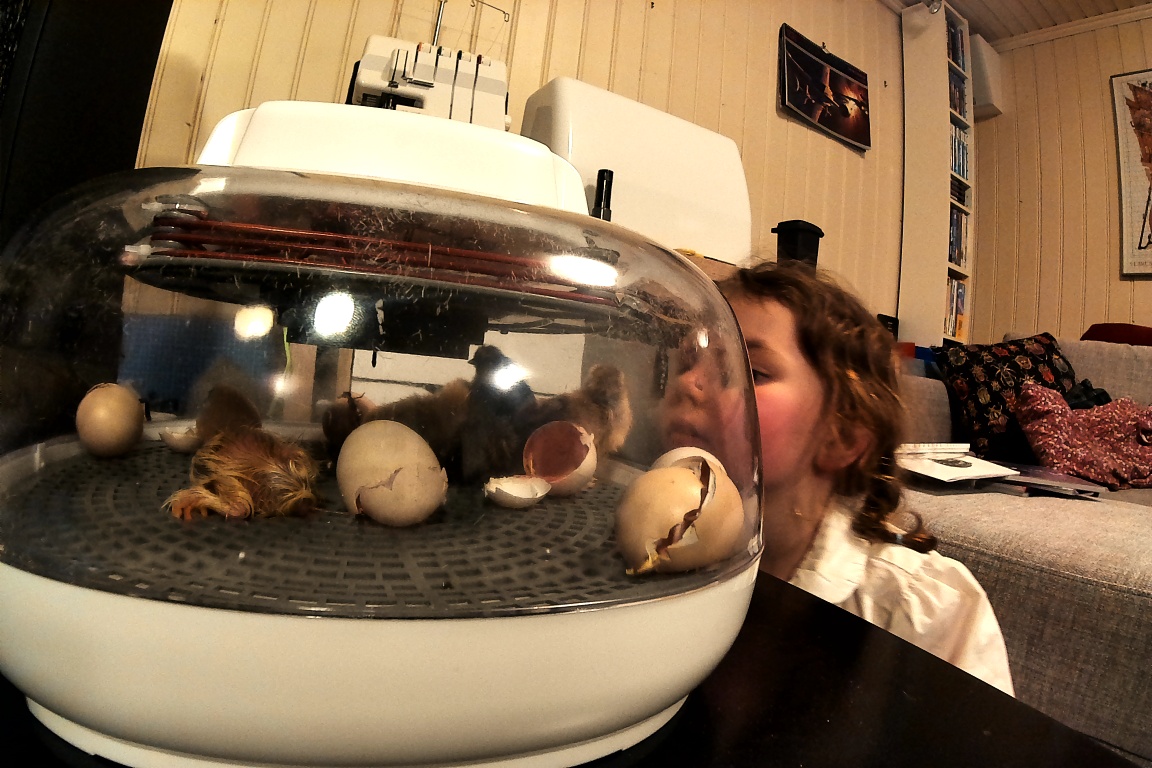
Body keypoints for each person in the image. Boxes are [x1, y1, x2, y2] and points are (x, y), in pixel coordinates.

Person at [709, 259, 1014, 696]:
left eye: (750, 372)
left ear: (843, 437)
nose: (691, 384)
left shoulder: (926, 609)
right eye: (687, 362)